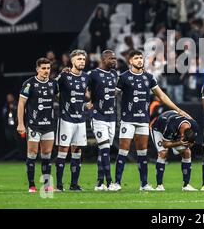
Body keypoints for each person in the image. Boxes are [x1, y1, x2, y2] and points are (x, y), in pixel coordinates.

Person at [114, 50, 193, 191]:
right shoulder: (123, 77)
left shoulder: (149, 77)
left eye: (141, 58)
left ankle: (144, 184)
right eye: (136, 58)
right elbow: (114, 94)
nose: (139, 60)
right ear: (130, 61)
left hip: (143, 120)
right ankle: (117, 183)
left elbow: (162, 96)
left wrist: (178, 110)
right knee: (123, 151)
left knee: (142, 153)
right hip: (127, 120)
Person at [17, 58, 59, 193]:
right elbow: (21, 104)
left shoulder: (53, 84)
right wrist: (21, 123)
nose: (46, 71)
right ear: (37, 69)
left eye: (48, 68)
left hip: (48, 125)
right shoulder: (29, 84)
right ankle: (32, 185)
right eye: (44, 68)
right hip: (34, 125)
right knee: (32, 153)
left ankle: (47, 185)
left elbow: (61, 98)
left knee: (47, 154)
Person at [55, 50, 90, 191]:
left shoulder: (86, 77)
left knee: (77, 150)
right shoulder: (64, 75)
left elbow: (87, 94)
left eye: (83, 59)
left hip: (80, 119)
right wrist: (62, 101)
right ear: (72, 61)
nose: (82, 61)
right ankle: (58, 185)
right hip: (66, 118)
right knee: (63, 149)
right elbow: (53, 89)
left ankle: (74, 185)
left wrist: (89, 101)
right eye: (79, 59)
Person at [87, 50, 119, 191]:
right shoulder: (92, 74)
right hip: (98, 116)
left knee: (103, 150)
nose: (114, 60)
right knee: (105, 149)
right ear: (103, 59)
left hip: (111, 117)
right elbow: (84, 89)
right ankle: (110, 182)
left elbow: (114, 92)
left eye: (115, 58)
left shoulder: (114, 74)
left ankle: (99, 184)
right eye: (111, 58)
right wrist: (88, 100)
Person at [150, 110, 199, 191]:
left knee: (187, 152)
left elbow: (192, 142)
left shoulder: (194, 126)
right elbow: (165, 144)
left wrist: (188, 145)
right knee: (163, 153)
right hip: (159, 128)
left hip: (176, 130)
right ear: (182, 135)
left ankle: (186, 185)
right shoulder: (171, 126)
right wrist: (179, 142)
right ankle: (159, 185)